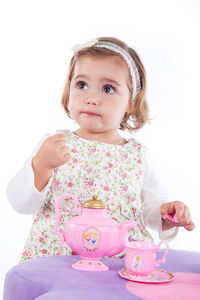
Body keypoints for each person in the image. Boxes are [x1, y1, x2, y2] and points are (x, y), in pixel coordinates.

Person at [7, 37, 195, 262]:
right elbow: (20, 203)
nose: (92, 98)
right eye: (81, 85)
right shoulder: (55, 144)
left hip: (118, 263)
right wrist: (41, 165)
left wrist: (165, 212)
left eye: (108, 88)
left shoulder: (137, 156)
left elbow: (149, 208)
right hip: (56, 258)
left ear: (131, 102)